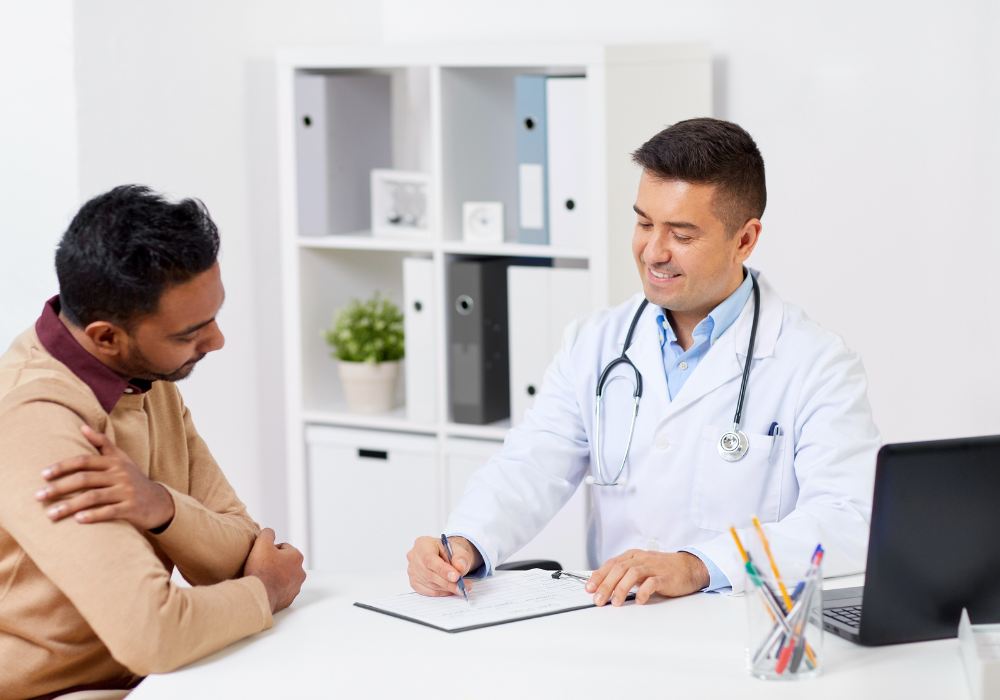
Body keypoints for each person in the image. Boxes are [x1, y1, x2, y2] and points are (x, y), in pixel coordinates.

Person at [406, 117, 880, 607]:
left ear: (744, 239)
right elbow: (532, 464)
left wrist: (699, 565)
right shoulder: (595, 341)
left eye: (682, 234)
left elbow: (849, 518)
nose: (653, 251)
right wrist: (464, 542)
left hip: (738, 628)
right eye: (644, 223)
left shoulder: (818, 363)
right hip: (617, 621)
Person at [0, 186, 306, 700]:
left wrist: (161, 506)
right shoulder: (36, 419)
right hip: (54, 692)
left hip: (151, 679)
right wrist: (266, 591)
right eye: (191, 333)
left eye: (215, 316)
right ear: (105, 337)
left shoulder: (143, 377)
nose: (217, 342)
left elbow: (236, 551)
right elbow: (155, 633)